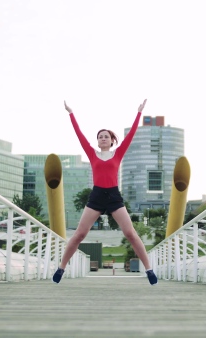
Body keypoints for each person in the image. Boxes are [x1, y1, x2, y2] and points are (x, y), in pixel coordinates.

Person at [52, 99, 158, 286]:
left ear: (111, 140)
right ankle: (61, 267)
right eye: (100, 136)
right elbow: (79, 135)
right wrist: (71, 113)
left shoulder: (118, 154)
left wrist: (139, 113)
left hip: (114, 196)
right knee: (79, 235)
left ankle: (149, 269)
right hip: (97, 196)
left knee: (131, 233)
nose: (102, 138)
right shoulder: (92, 154)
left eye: (106, 136)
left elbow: (131, 135)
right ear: (97, 141)